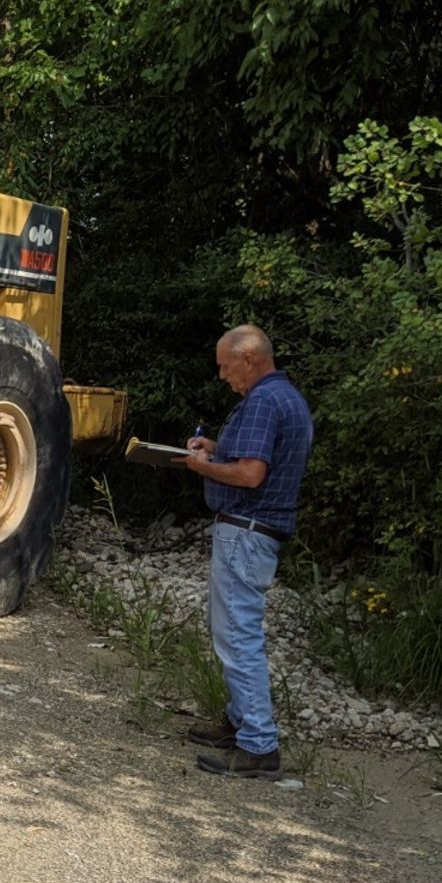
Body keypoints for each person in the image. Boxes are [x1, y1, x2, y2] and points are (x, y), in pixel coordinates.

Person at [182, 325, 314, 778]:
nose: (222, 376)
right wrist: (217, 449)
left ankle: (258, 744)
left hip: (246, 531)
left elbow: (251, 474)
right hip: (260, 533)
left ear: (248, 359)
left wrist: (202, 465)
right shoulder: (286, 398)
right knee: (235, 631)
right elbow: (258, 457)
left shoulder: (260, 401)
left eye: (225, 366)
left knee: (238, 637)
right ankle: (240, 724)